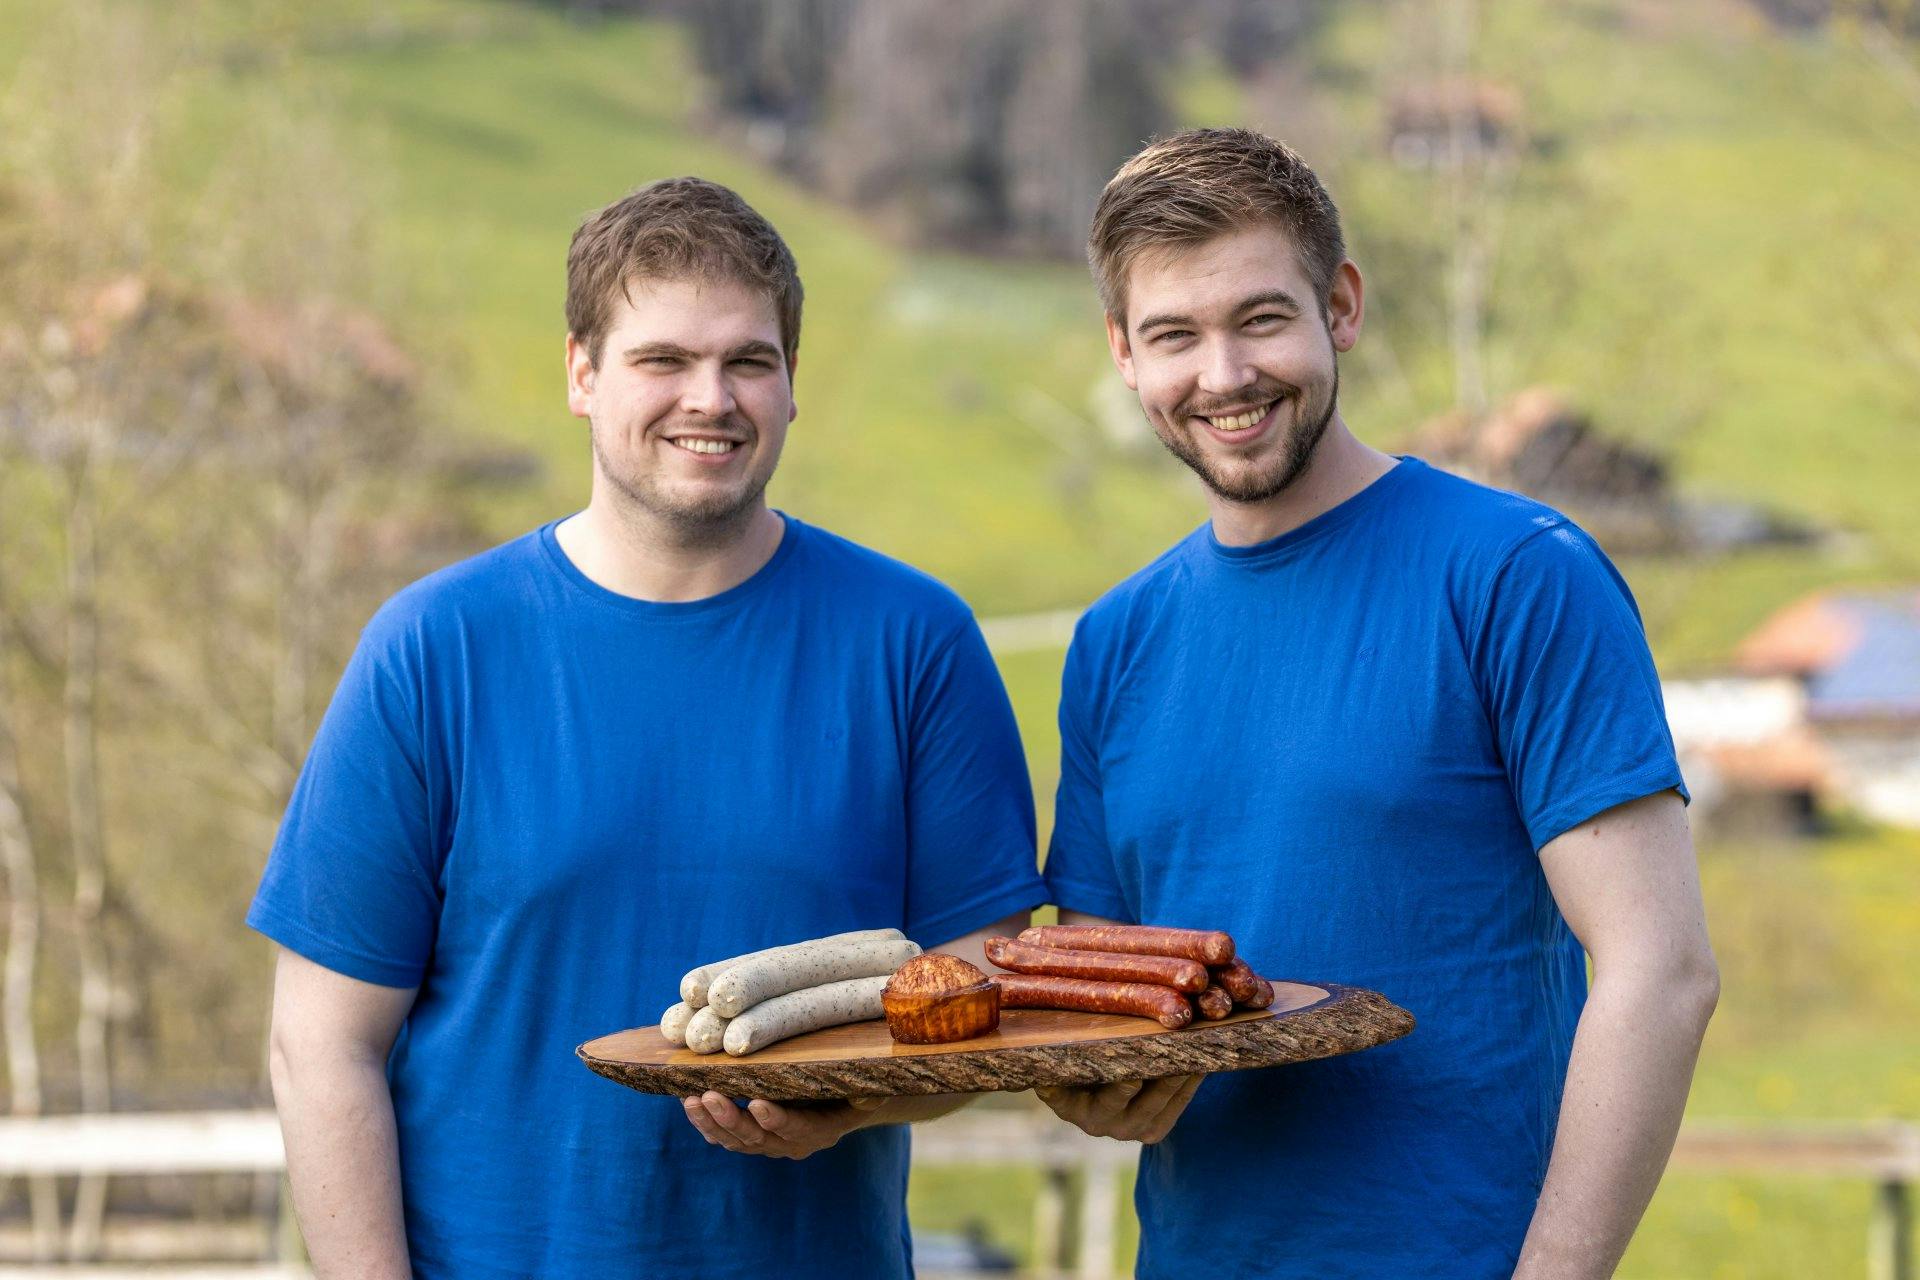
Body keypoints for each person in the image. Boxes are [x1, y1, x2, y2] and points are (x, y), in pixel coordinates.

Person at [250, 176, 1046, 1279]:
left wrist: (853, 1105)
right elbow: (322, 1043)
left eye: (748, 361)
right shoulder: (434, 650)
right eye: (662, 359)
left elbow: (985, 993)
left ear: (791, 383)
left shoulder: (913, 640)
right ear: (581, 373)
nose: (708, 398)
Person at [1033, 128, 1719, 1278]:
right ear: (1123, 353)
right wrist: (1095, 1088)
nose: (1224, 374)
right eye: (1173, 336)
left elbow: (1664, 970)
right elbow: (1101, 993)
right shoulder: (1115, 641)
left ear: (1340, 305)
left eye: (1260, 318)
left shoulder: (1516, 572)